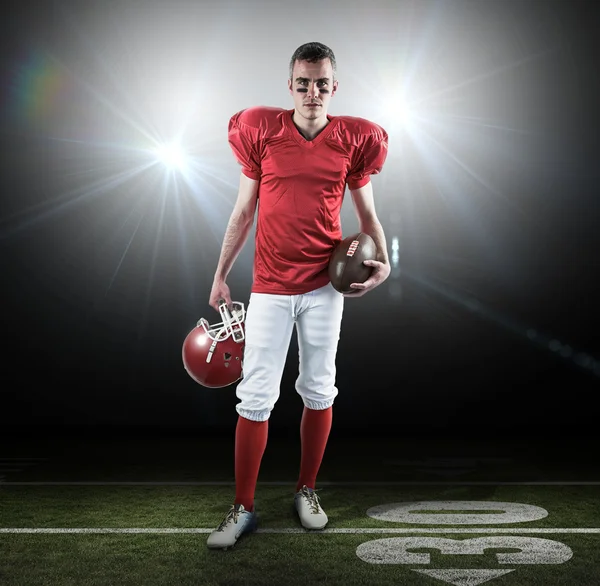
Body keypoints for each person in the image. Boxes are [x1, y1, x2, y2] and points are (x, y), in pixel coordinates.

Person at [206, 41, 390, 549]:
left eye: (322, 83)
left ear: (335, 87)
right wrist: (221, 273)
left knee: (320, 387)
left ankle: (306, 490)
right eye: (304, 83)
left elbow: (367, 214)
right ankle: (243, 507)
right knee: (255, 396)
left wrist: (386, 257)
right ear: (290, 85)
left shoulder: (354, 139)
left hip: (325, 288)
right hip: (269, 284)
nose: (313, 92)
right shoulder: (262, 131)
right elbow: (244, 212)